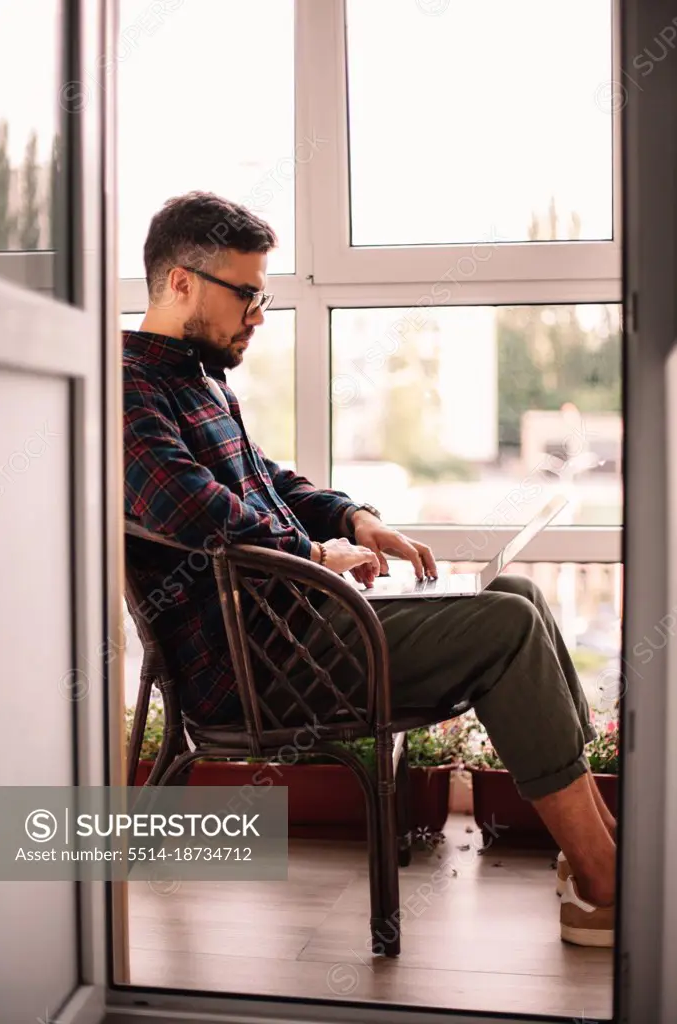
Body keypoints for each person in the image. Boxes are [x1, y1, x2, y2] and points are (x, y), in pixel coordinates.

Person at [123, 191, 617, 949]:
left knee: (515, 592)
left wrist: (354, 519)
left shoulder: (199, 379)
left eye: (265, 295)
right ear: (181, 283)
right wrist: (317, 555)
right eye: (247, 294)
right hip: (260, 665)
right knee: (508, 625)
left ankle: (597, 845)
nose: (259, 314)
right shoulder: (129, 389)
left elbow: (270, 483)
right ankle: (607, 883)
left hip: (299, 633)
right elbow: (193, 507)